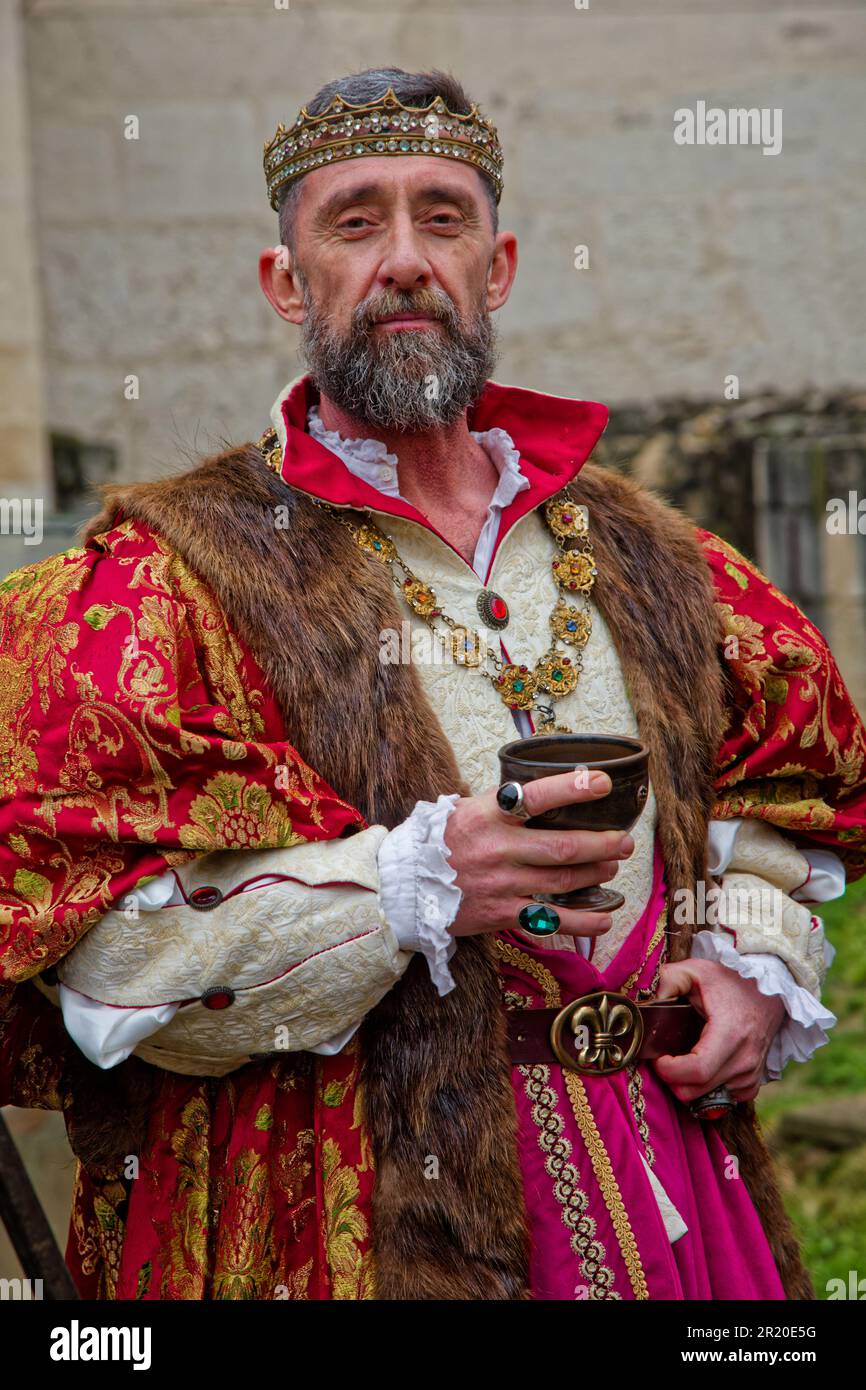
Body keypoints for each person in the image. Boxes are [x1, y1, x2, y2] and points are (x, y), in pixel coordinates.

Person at [2, 65, 865, 1301]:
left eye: (441, 218)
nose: (404, 258)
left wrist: (747, 961)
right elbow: (106, 962)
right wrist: (408, 888)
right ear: (286, 282)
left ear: (495, 268)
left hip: (673, 1185)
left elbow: (766, 796)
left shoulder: (654, 552)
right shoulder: (169, 577)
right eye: (355, 222)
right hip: (348, 1208)